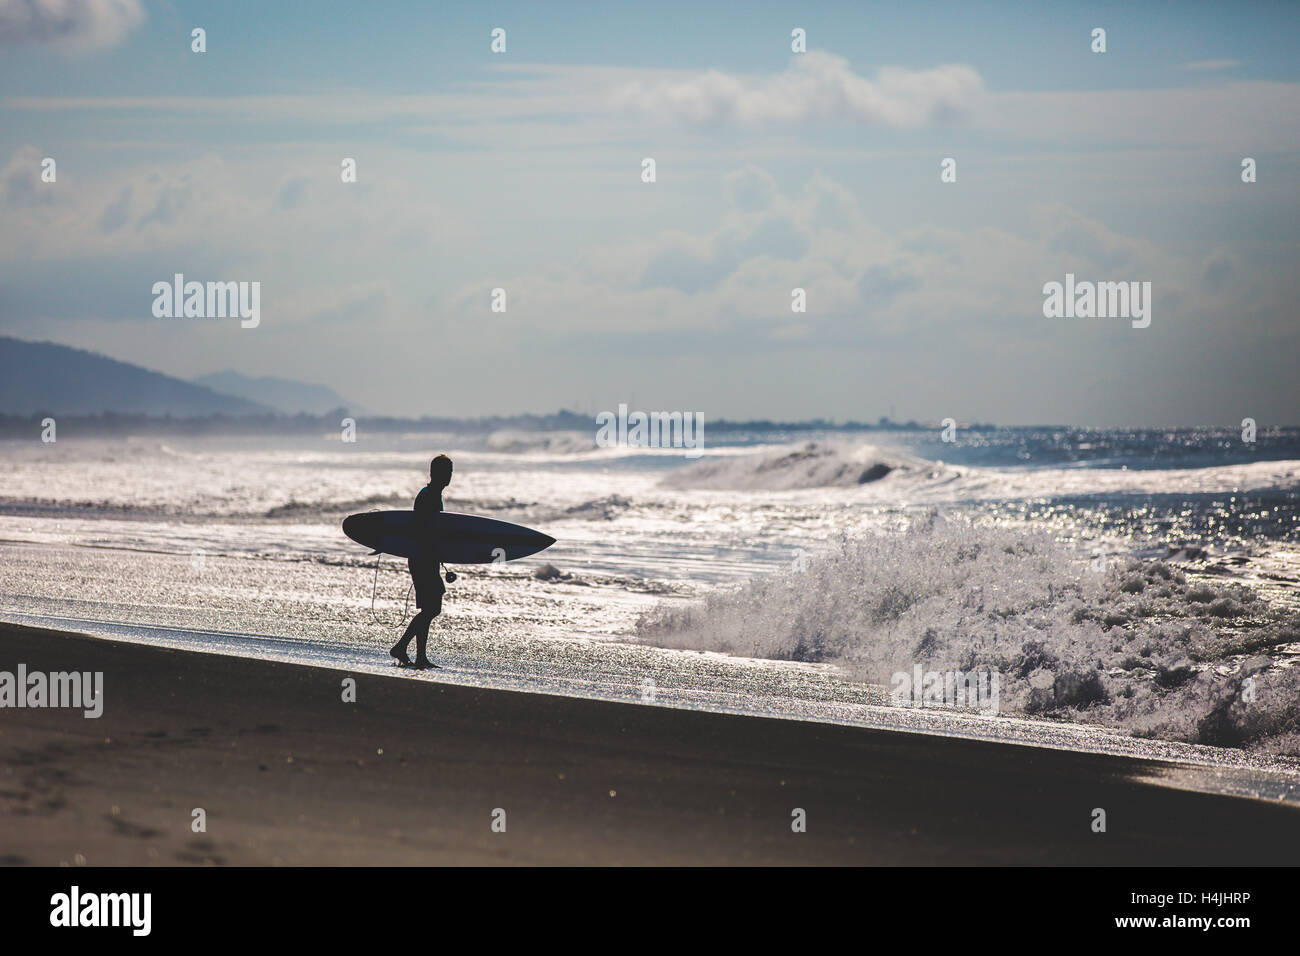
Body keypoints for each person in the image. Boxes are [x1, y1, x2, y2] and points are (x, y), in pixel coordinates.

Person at [390, 454, 454, 668]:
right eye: (447, 471)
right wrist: (435, 553)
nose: (450, 476)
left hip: (427, 558)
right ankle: (402, 648)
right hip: (422, 558)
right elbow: (422, 530)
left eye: (451, 471)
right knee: (431, 609)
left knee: (429, 608)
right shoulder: (428, 496)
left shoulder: (434, 494)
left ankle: (418, 656)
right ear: (435, 473)